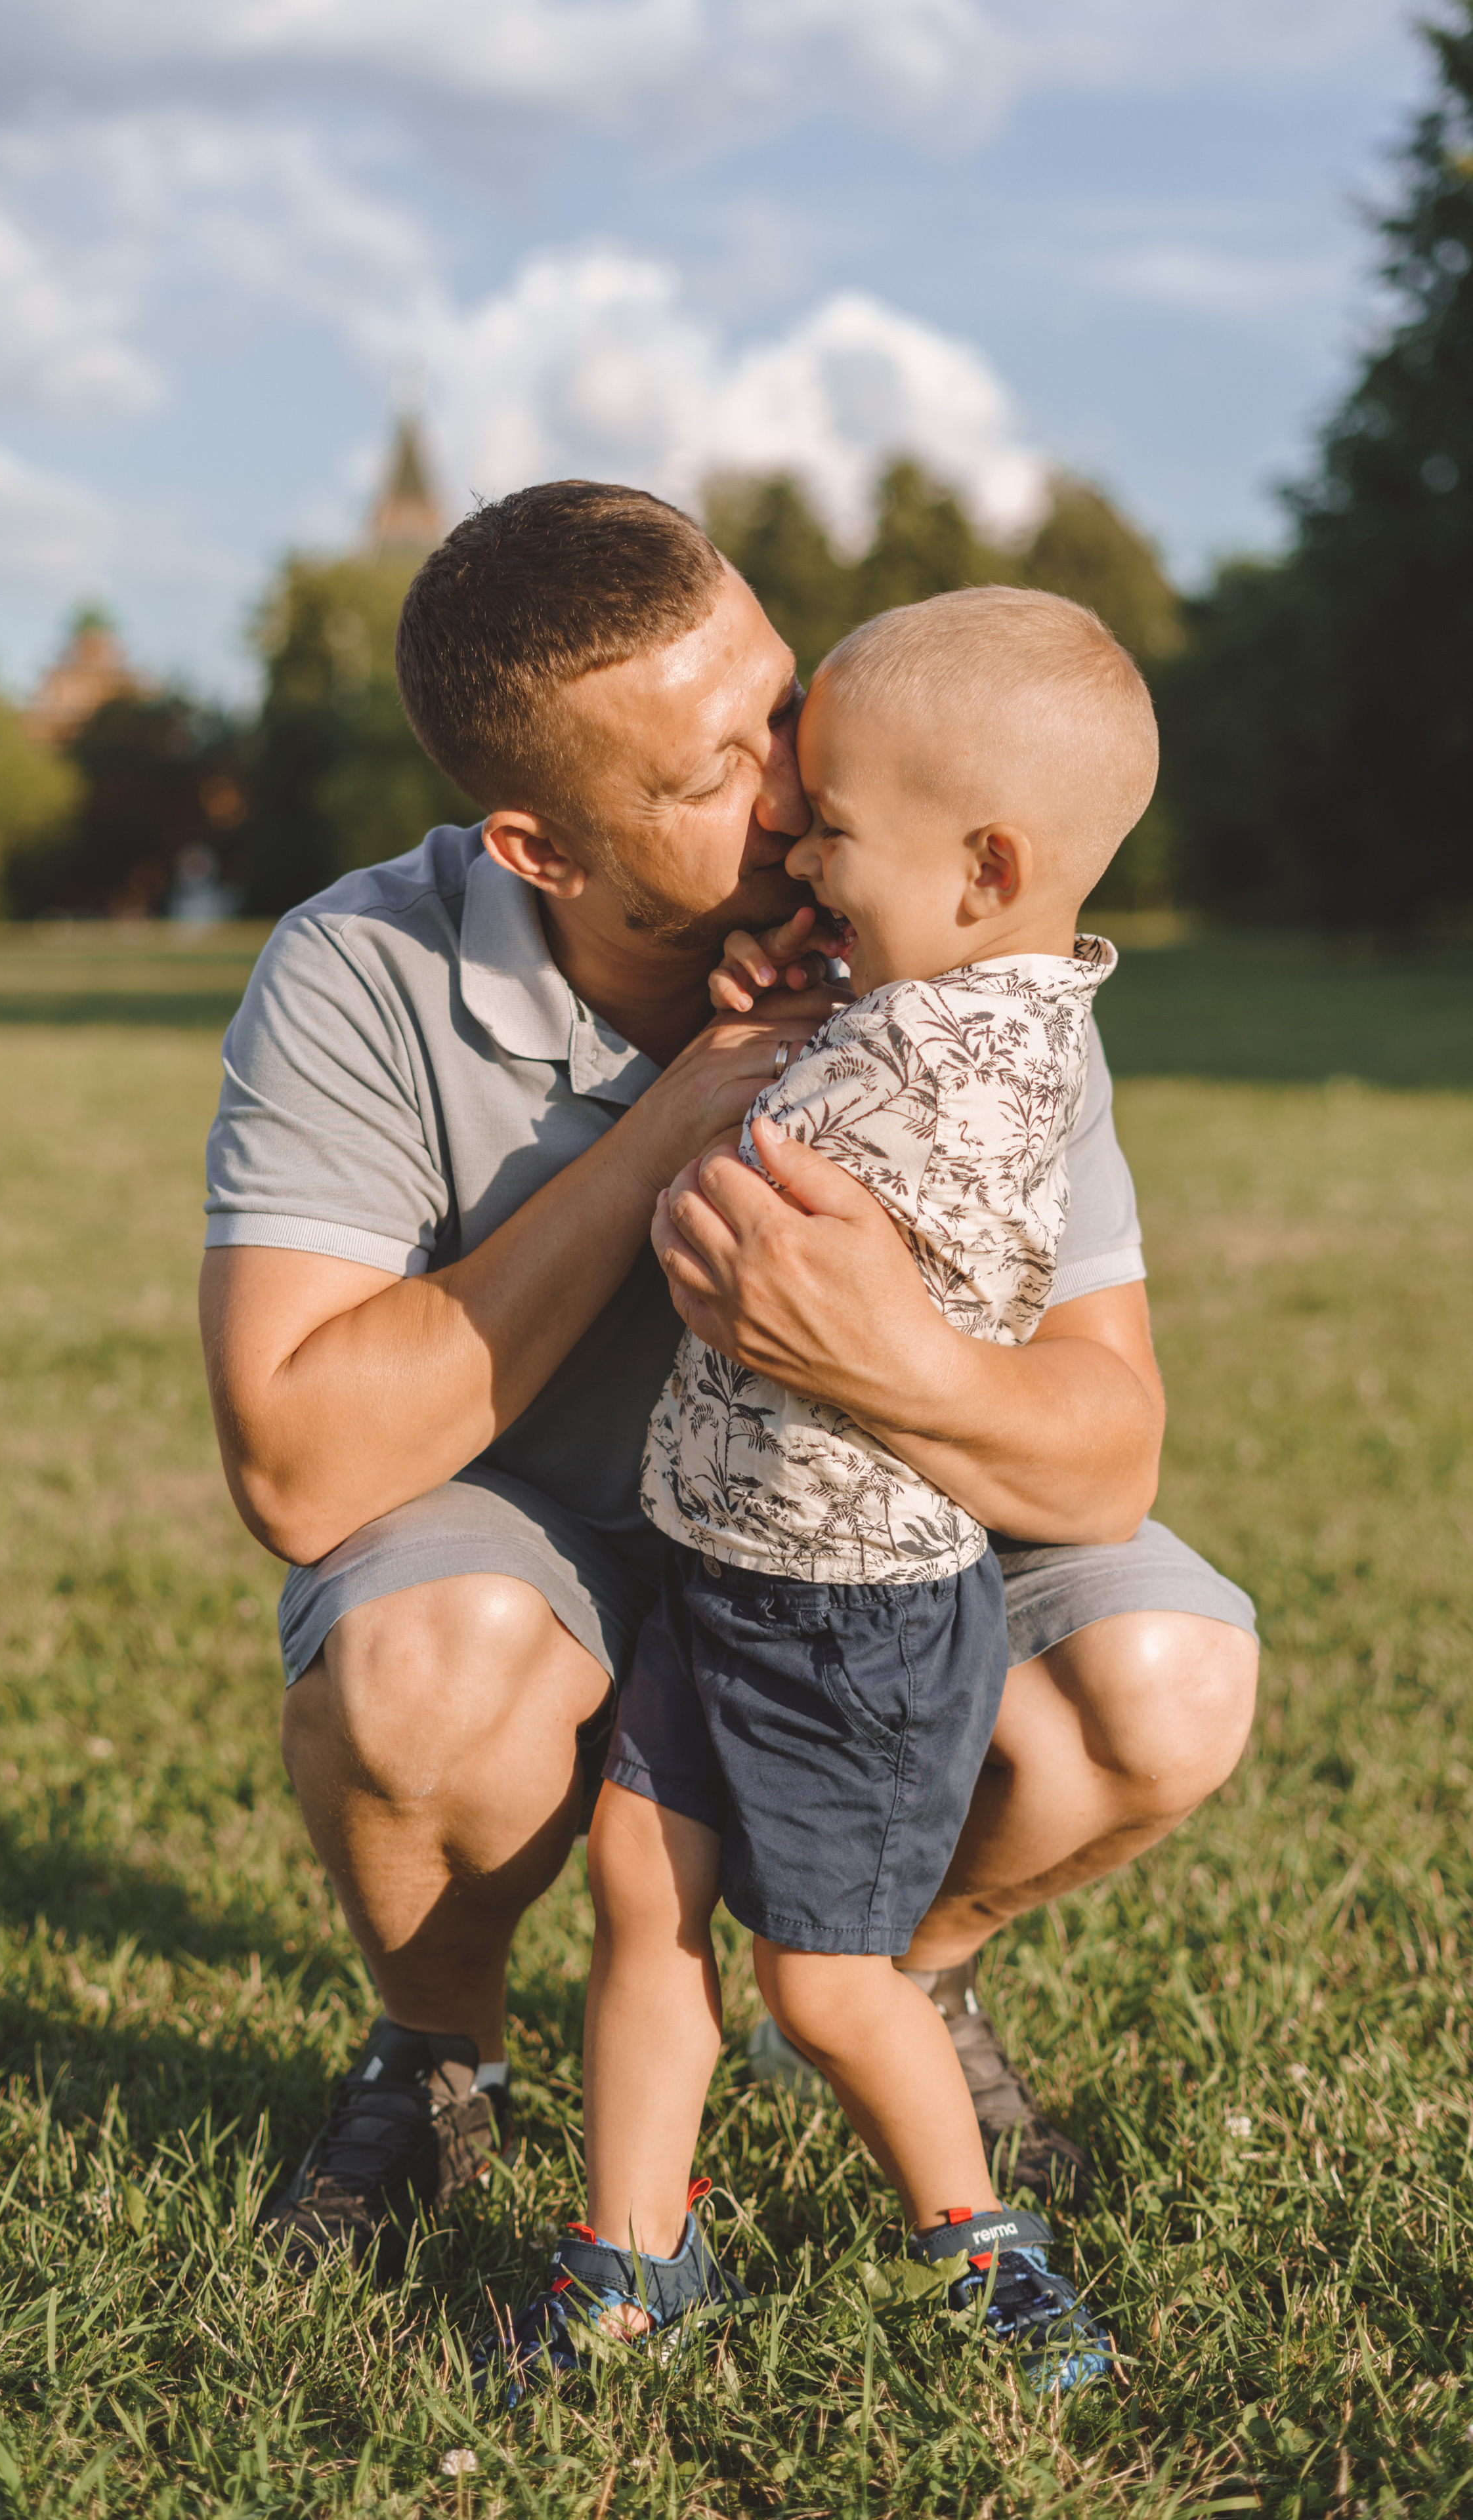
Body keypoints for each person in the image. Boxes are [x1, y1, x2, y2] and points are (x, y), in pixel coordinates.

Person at [197, 480, 1256, 2277]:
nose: (793, 787)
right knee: (419, 1666)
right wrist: (672, 1124)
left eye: (779, 703)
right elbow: (298, 1468)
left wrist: (896, 1360)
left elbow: (1103, 1467)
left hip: (872, 1551)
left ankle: (893, 1974)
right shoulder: (361, 970)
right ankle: (440, 2052)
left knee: (1166, 1683)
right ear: (542, 849)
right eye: (711, 777)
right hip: (550, 1553)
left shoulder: (953, 970)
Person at [478, 587, 1147, 2400]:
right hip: (731, 1558)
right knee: (641, 1888)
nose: (796, 849)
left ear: (987, 869)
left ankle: (984, 2248)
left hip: (855, 1616)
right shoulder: (928, 1001)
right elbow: (835, 1059)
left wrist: (761, 1053)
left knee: (829, 1984)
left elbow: (778, 1191)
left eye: (833, 830)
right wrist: (810, 997)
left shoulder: (980, 1070)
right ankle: (632, 2258)